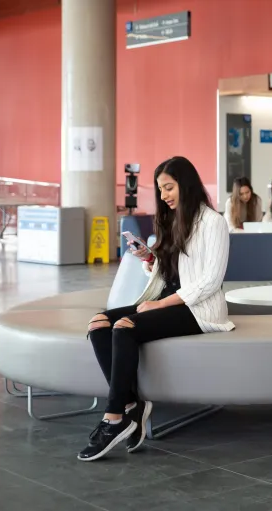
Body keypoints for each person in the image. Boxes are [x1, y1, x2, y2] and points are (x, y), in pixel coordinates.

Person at [79, 156, 234, 462]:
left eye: (169, 187)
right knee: (98, 324)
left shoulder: (213, 222)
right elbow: (168, 272)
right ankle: (131, 405)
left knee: (124, 326)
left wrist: (160, 304)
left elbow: (210, 281)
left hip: (198, 308)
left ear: (185, 184)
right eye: (161, 189)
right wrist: (149, 260)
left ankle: (114, 418)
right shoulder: (172, 219)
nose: (164, 195)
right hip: (167, 297)